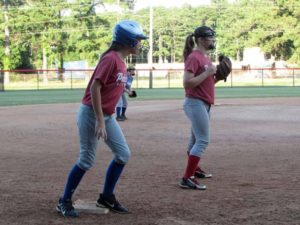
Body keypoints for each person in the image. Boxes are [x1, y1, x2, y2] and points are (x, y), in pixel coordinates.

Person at [56, 20, 148, 217]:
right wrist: (99, 120)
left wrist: (127, 90)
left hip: (106, 115)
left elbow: (114, 84)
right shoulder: (111, 59)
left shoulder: (120, 61)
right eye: (138, 40)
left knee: (123, 154)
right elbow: (95, 87)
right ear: (129, 41)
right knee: (86, 159)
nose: (140, 43)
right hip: (91, 113)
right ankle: (64, 201)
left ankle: (106, 196)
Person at [179, 25, 218, 190]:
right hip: (195, 103)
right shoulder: (194, 57)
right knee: (202, 140)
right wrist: (208, 73)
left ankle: (194, 169)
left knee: (195, 140)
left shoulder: (205, 57)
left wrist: (218, 77)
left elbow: (204, 82)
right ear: (201, 39)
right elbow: (187, 83)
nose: (213, 40)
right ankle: (187, 177)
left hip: (203, 103)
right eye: (210, 38)